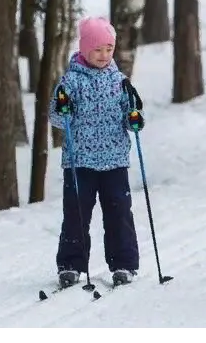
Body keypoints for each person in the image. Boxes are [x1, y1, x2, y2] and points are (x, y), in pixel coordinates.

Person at [50, 17, 146, 287]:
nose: (104, 55)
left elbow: (130, 114)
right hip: (79, 162)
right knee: (77, 213)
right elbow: (56, 118)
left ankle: (124, 263)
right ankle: (71, 263)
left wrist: (135, 119)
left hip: (114, 161)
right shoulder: (70, 82)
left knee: (119, 213)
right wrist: (63, 107)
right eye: (97, 49)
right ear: (84, 50)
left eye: (108, 49)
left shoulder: (119, 81)